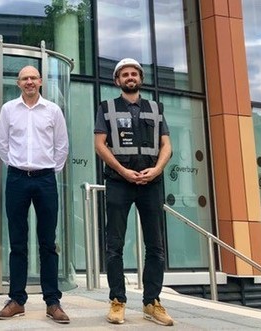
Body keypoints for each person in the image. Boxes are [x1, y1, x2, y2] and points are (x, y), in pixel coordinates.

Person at [94, 58, 174, 326]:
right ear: (117, 81)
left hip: (151, 183)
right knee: (114, 245)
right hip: (119, 182)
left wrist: (157, 169)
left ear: (140, 78)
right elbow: (100, 144)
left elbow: (166, 145)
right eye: (124, 74)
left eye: (134, 74)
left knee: (156, 246)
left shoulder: (155, 108)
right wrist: (123, 171)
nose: (130, 77)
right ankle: (117, 301)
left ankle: (152, 302)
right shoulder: (106, 108)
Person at [0, 65, 70, 324]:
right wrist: (18, 167)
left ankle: (52, 302)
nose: (29, 82)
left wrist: (48, 170)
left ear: (40, 82)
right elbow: (2, 144)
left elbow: (62, 146)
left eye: (33, 78)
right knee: (17, 242)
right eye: (24, 78)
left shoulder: (53, 110)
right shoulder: (8, 110)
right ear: (18, 83)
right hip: (17, 178)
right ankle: (16, 300)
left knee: (48, 242)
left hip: (46, 179)